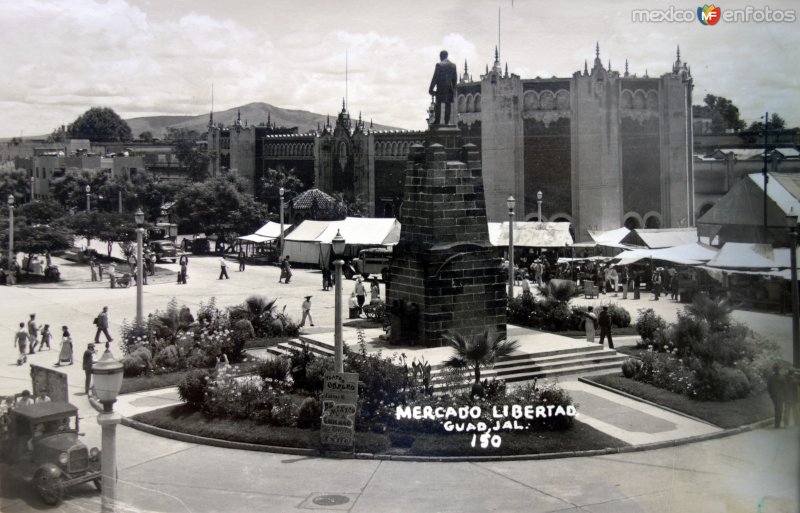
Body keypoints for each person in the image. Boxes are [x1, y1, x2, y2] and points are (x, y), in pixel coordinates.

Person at [428, 49, 458, 125]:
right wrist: (453, 88)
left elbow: (435, 78)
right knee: (448, 105)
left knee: (438, 104)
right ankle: (446, 121)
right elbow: (455, 79)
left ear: (441, 56)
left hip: (441, 89)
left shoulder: (439, 65)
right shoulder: (453, 65)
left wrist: (431, 89)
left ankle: (437, 121)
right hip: (449, 89)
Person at [767, 364, 785, 428]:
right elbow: (784, 388)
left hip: (774, 396)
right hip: (780, 396)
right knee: (779, 410)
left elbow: (768, 388)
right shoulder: (781, 378)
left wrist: (771, 395)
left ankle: (777, 424)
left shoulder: (770, 377)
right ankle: (777, 424)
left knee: (777, 409)